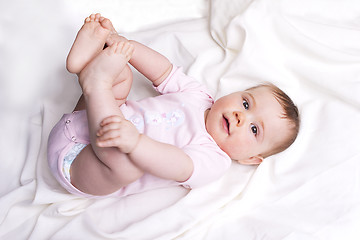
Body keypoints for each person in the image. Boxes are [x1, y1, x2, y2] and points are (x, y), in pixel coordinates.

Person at [47, 14, 300, 198]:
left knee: (128, 165)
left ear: (250, 160)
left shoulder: (214, 160)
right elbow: (164, 71)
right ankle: (85, 64)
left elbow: (179, 163)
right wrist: (124, 46)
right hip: (85, 118)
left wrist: (135, 143)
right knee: (122, 75)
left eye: (254, 130)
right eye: (246, 103)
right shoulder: (199, 95)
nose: (240, 116)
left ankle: (95, 83)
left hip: (83, 166)